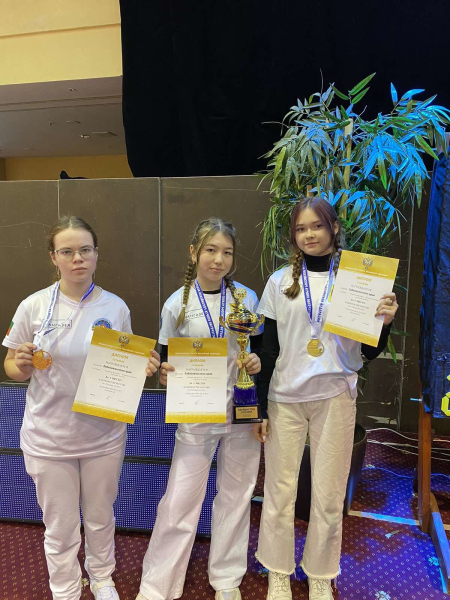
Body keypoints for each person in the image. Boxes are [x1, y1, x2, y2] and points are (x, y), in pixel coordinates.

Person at [3, 216, 160, 600]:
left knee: (100, 517)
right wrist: (20, 364)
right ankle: (65, 589)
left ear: (96, 254)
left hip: (102, 436)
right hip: (49, 437)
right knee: (59, 526)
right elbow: (11, 368)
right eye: (67, 251)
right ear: (53, 257)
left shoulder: (115, 307)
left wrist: (143, 366)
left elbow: (123, 367)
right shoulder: (34, 306)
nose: (77, 258)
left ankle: (102, 578)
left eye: (85, 250)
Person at [252, 197, 399, 600]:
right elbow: (268, 350)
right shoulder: (280, 281)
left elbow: (368, 351)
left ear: (333, 227)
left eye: (317, 226)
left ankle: (320, 573)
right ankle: (278, 570)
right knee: (280, 490)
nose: (309, 235)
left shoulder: (357, 280)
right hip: (285, 398)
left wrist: (385, 323)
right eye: (301, 229)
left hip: (335, 395)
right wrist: (261, 407)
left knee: (329, 494)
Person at [136, 218, 263, 600]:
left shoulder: (247, 298)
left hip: (241, 411)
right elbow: (167, 362)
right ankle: (158, 585)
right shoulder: (177, 303)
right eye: (210, 250)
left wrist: (255, 363)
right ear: (194, 253)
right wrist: (165, 375)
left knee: (237, 496)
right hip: (196, 413)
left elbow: (260, 352)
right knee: (180, 498)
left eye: (226, 252)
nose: (218, 259)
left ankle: (226, 579)